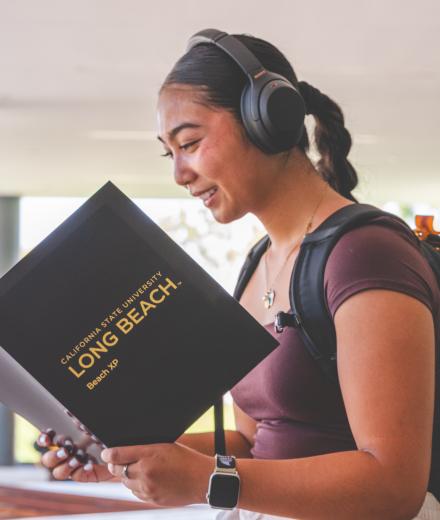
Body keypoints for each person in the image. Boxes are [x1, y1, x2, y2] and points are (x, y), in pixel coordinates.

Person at [37, 29, 439, 519]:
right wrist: (121, 458)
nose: (179, 174)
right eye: (170, 153)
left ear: (267, 121)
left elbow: (393, 485)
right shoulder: (256, 265)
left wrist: (206, 480)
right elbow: (252, 441)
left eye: (190, 142)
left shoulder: (366, 254)